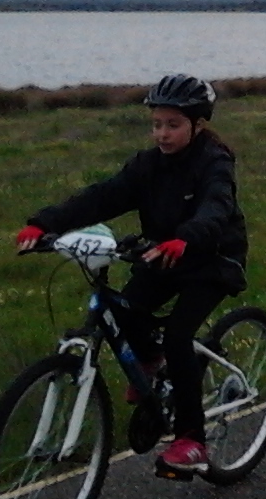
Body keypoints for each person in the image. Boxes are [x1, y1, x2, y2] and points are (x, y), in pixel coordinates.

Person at [16, 74, 246, 477]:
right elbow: (103, 196)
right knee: (124, 310)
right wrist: (43, 224)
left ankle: (192, 440)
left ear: (198, 125)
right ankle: (150, 361)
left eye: (173, 125)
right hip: (162, 255)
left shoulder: (214, 161)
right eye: (156, 124)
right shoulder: (147, 166)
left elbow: (216, 207)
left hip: (211, 259)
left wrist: (186, 239)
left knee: (178, 336)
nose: (162, 133)